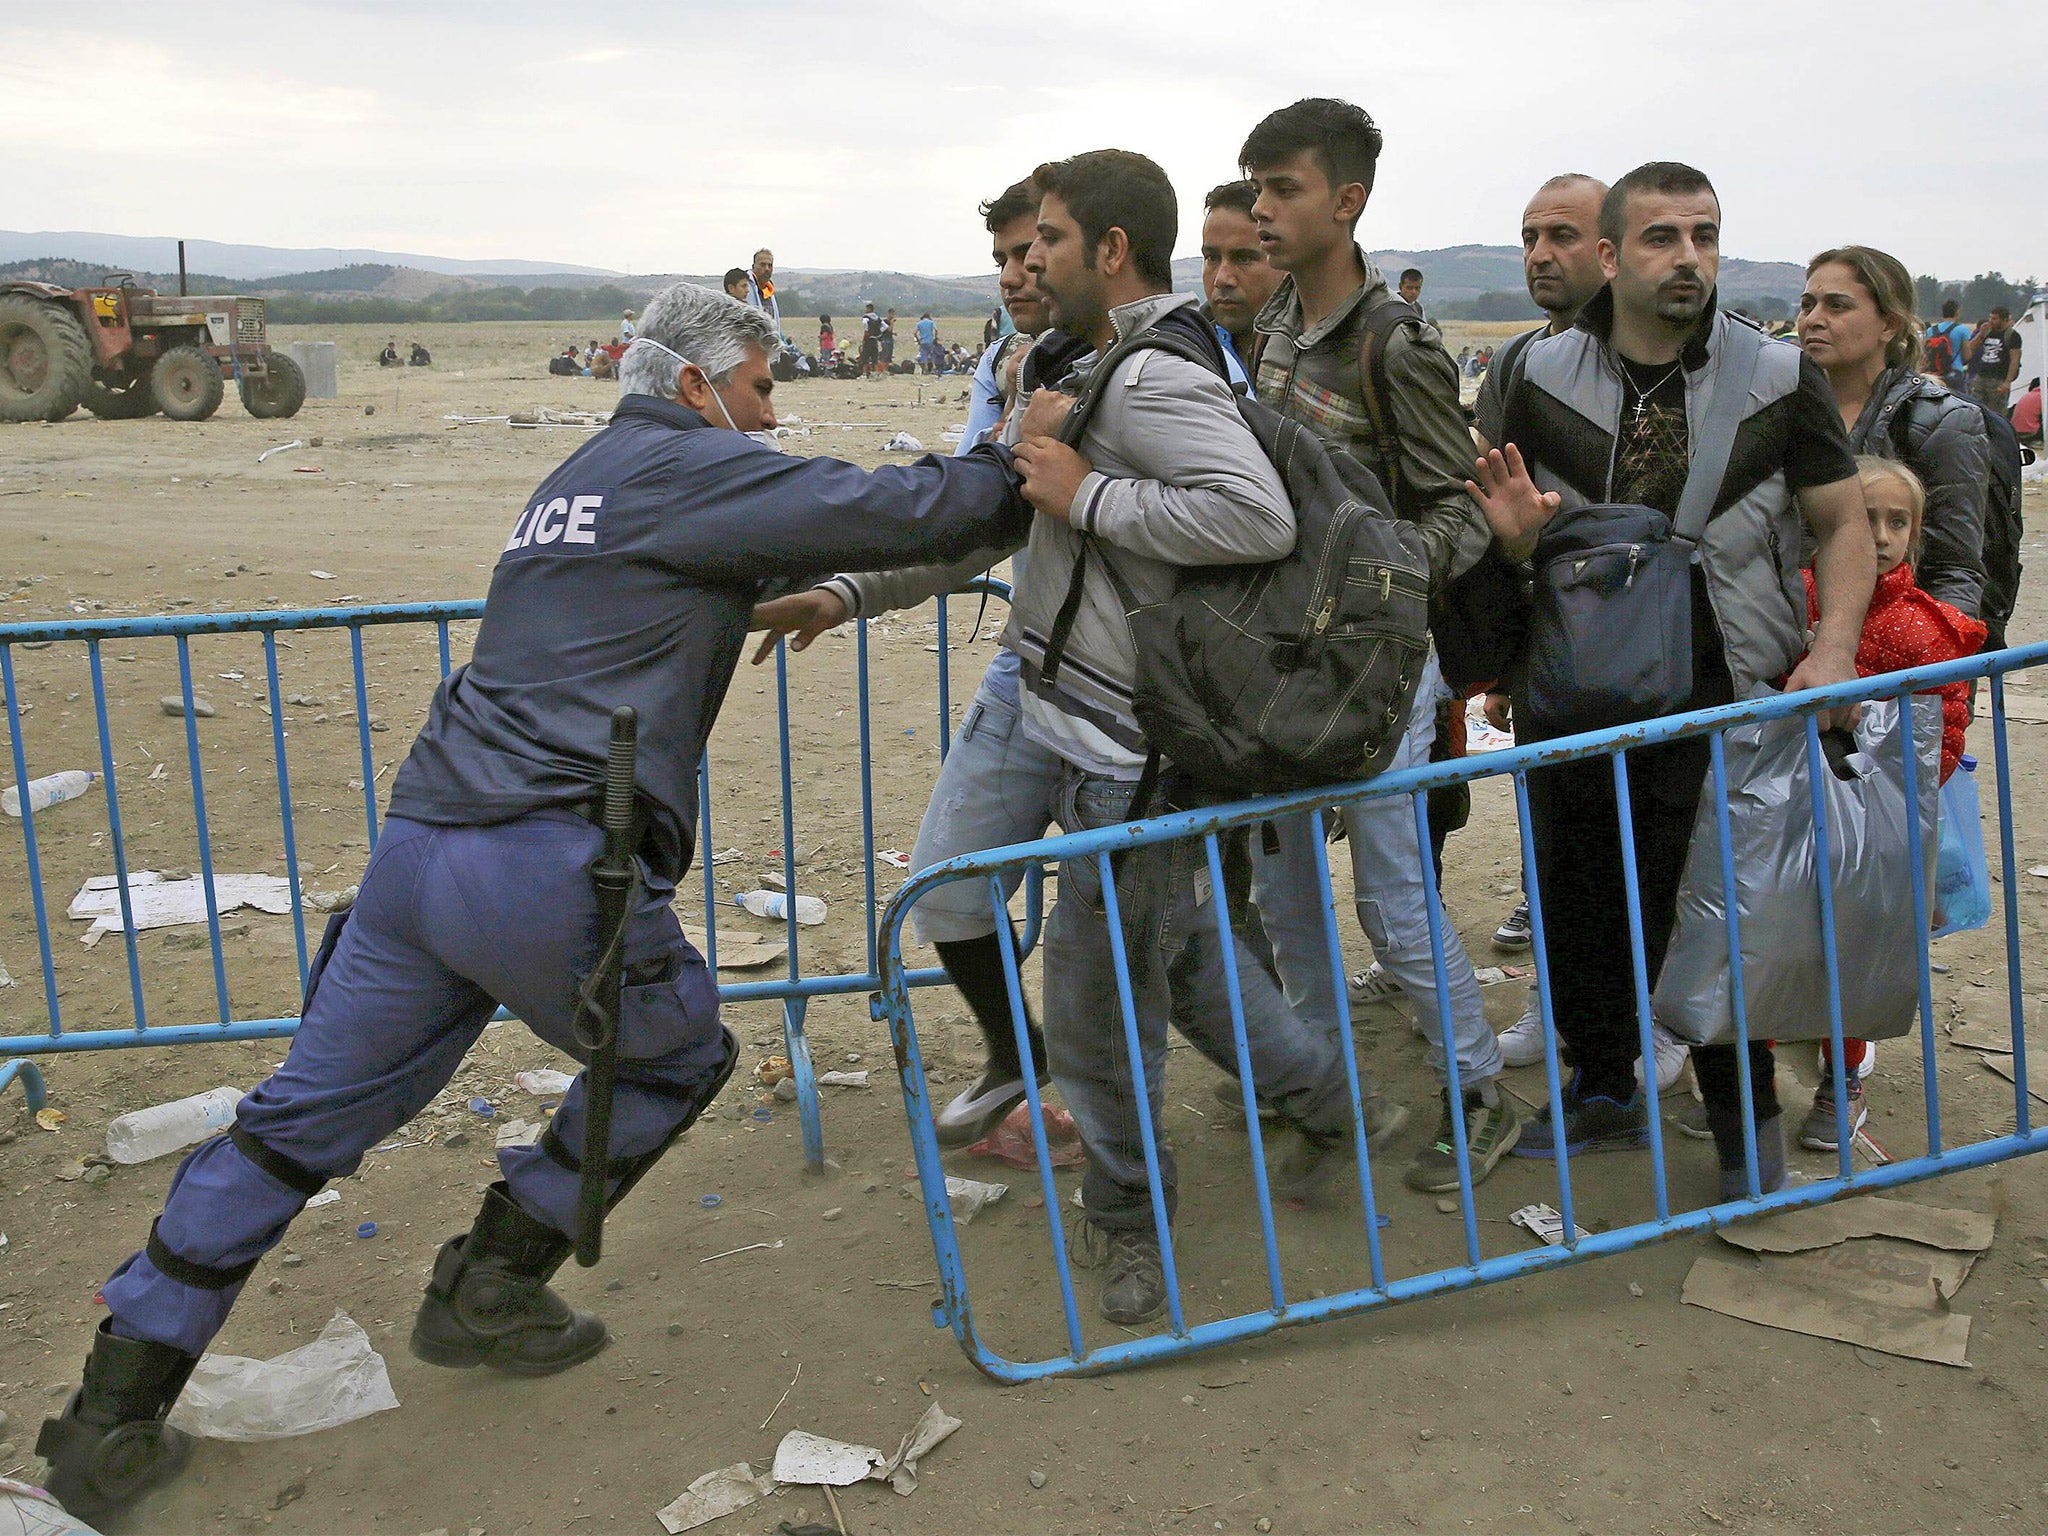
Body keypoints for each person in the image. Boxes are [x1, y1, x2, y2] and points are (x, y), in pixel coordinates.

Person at [33, 281, 1031, 1522]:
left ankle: (110, 1411)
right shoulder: (686, 466)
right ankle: (490, 1286)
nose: (769, 418)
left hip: (422, 851)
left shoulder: (576, 475)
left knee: (291, 1128)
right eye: (761, 391)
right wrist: (1016, 450)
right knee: (676, 1058)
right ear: (693, 385)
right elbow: (911, 505)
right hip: (547, 861)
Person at [1470, 161, 1873, 1199]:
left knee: (1715, 913)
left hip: (1726, 684)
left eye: (1703, 235)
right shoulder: (1528, 373)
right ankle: (1603, 1089)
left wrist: (1831, 648)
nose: (1687, 256)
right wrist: (1509, 555)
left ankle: (1745, 1129)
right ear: (1608, 255)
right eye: (1660, 237)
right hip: (1574, 683)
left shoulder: (1776, 379)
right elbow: (1484, 517)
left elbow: (1838, 520)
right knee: (1575, 897)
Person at [1238, 96, 1517, 1193]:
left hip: (1380, 663)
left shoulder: (1392, 344)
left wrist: (1379, 581)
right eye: (1253, 187)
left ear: (1345, 202)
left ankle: (1476, 1093)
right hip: (1281, 658)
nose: (1261, 210)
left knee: (1391, 898)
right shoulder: (1271, 326)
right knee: (1286, 892)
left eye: (1283, 189)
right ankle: (1323, 1091)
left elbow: (1463, 512)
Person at [753, 175, 1064, 1149]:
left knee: (1138, 949)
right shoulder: (1008, 363)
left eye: (1033, 251)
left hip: (1139, 696)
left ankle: (1304, 1101)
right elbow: (970, 513)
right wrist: (848, 588)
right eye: (1003, 257)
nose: (1015, 273)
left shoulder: (1151, 363)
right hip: (1036, 660)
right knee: (943, 884)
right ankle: (1020, 1057)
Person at [1794, 456, 1984, 1151]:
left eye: (1896, 521)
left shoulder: (1921, 628)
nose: (1879, 535)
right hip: (1792, 814)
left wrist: (1879, 764)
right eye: (1864, 518)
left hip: (1875, 825)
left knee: (1851, 952)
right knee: (1790, 937)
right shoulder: (1795, 600)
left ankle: (1842, 1080)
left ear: (1917, 535)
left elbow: (1943, 727)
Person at [1797, 245, 1989, 616]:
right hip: (1788, 647)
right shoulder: (1783, 408)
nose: (1813, 320)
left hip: (1893, 656)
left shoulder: (1943, 422)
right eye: (1808, 305)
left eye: (1837, 306)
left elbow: (1955, 571)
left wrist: (1928, 663)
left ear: (1889, 325)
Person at [1198, 179, 1282, 377]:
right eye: (1212, 258)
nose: (1222, 278)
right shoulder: (1187, 356)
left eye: (1243, 258)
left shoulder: (1323, 356)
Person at [1967, 306, 2022, 415]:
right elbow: (1971, 349)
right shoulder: (1988, 332)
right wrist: (1981, 334)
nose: (1991, 321)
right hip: (1981, 377)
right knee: (1976, 409)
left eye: (1994, 319)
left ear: (2004, 319)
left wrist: (2007, 382)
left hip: (1998, 379)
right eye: (1990, 318)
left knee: (1997, 412)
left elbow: (2014, 360)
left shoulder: (2012, 336)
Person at [1924, 299, 1970, 390]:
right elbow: (1967, 356)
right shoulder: (1962, 329)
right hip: (1955, 371)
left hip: (1935, 374)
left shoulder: (1931, 330)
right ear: (1957, 313)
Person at [746, 249, 780, 331]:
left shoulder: (769, 290)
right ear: (753, 266)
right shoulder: (745, 288)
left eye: (770, 265)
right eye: (762, 265)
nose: (767, 269)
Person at [858, 303, 883, 377]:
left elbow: (865, 323)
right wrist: (879, 333)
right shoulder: (877, 318)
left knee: (865, 357)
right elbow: (884, 326)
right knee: (874, 358)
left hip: (868, 340)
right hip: (874, 340)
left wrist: (866, 331)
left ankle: (864, 373)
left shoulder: (866, 317)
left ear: (869, 309)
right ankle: (874, 373)